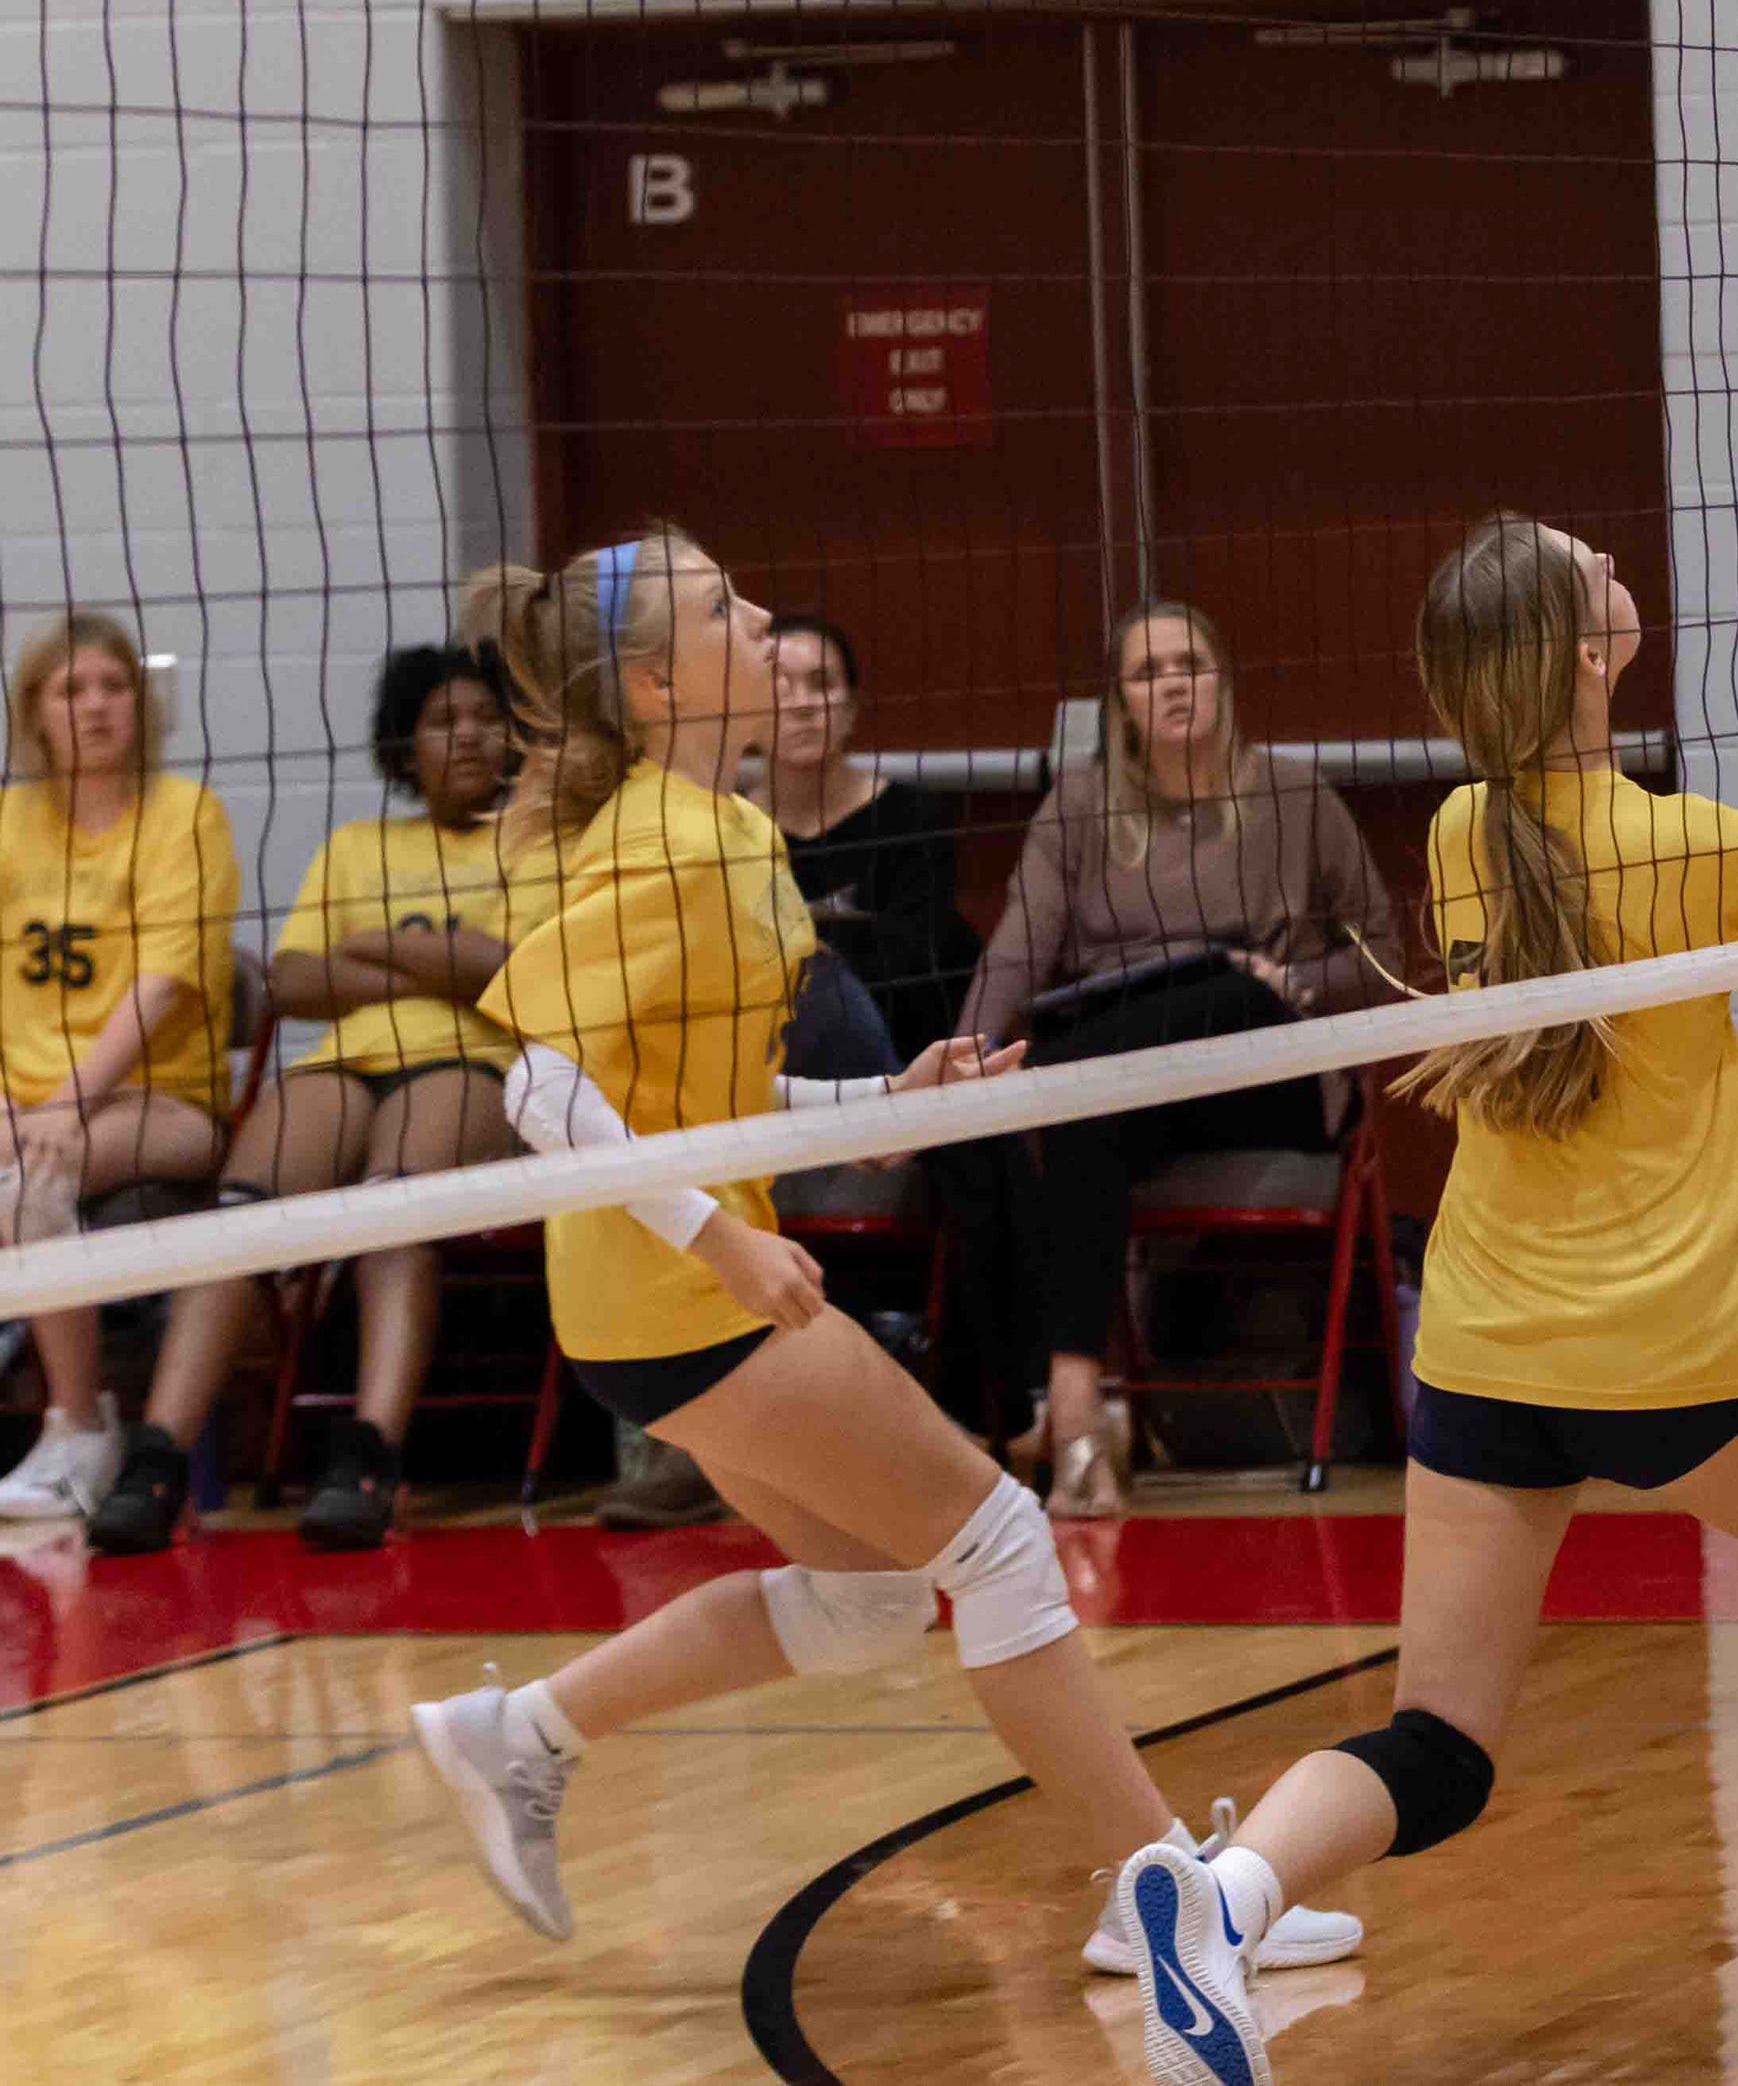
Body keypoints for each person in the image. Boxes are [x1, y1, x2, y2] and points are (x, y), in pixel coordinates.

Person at [1114, 517, 1738, 2086]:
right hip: (1673, 1349)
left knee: (1443, 1743)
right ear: (1590, 650)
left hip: (1480, 1346)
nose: (1613, 565)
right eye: (1590, 566)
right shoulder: (1699, 844)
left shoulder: (1465, 826)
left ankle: (1230, 1893)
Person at [399, 529, 1355, 1983]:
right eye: (722, 607)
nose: (763, 617)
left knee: (872, 1595)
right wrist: (721, 1235)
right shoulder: (669, 836)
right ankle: (1166, 1905)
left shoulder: (715, 827)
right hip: (678, 1288)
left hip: (649, 1295)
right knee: (1001, 1537)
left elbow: (700, 1091)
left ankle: (520, 1732)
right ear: (657, 684)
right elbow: (540, 1081)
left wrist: (883, 1095)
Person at [952, 599, 1407, 1516]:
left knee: (1213, 995)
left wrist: (1290, 980)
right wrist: (963, 1063)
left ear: (1223, 679)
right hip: (1124, 1090)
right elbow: (1016, 951)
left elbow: (1385, 959)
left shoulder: (1295, 794)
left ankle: (1064, 1421)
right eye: (1147, 670)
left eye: (1189, 663)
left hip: (1262, 1070)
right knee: (1062, 1107)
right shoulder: (1079, 806)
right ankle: (1075, 1411)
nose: (1172, 683)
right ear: (1120, 701)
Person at [86, 645, 541, 1554]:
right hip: (346, 1063)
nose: (468, 736)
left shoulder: (537, 840)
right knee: (237, 1218)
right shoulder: (355, 845)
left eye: (487, 717)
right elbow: (291, 982)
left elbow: (512, 972)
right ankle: (155, 1460)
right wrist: (439, 965)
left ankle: (368, 1457)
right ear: (404, 745)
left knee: (394, 1210)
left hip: (472, 1062)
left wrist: (373, 945)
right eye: (443, 720)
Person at [0, 613, 240, 1521]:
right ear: (35, 711)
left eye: (115, 685)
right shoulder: (9, 821)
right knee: (24, 1163)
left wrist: (58, 1108)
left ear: (142, 703)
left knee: (29, 1179)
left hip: (161, 1101)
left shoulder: (186, 815)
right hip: (25, 1104)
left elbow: (162, 987)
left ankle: (79, 1429)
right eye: (72, 689)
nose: (96, 705)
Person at [757, 613, 981, 1057]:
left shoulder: (913, 816)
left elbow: (918, 965)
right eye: (779, 687)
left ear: (852, 709)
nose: (802, 705)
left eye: (821, 683)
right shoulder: (724, 828)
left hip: (907, 1052)